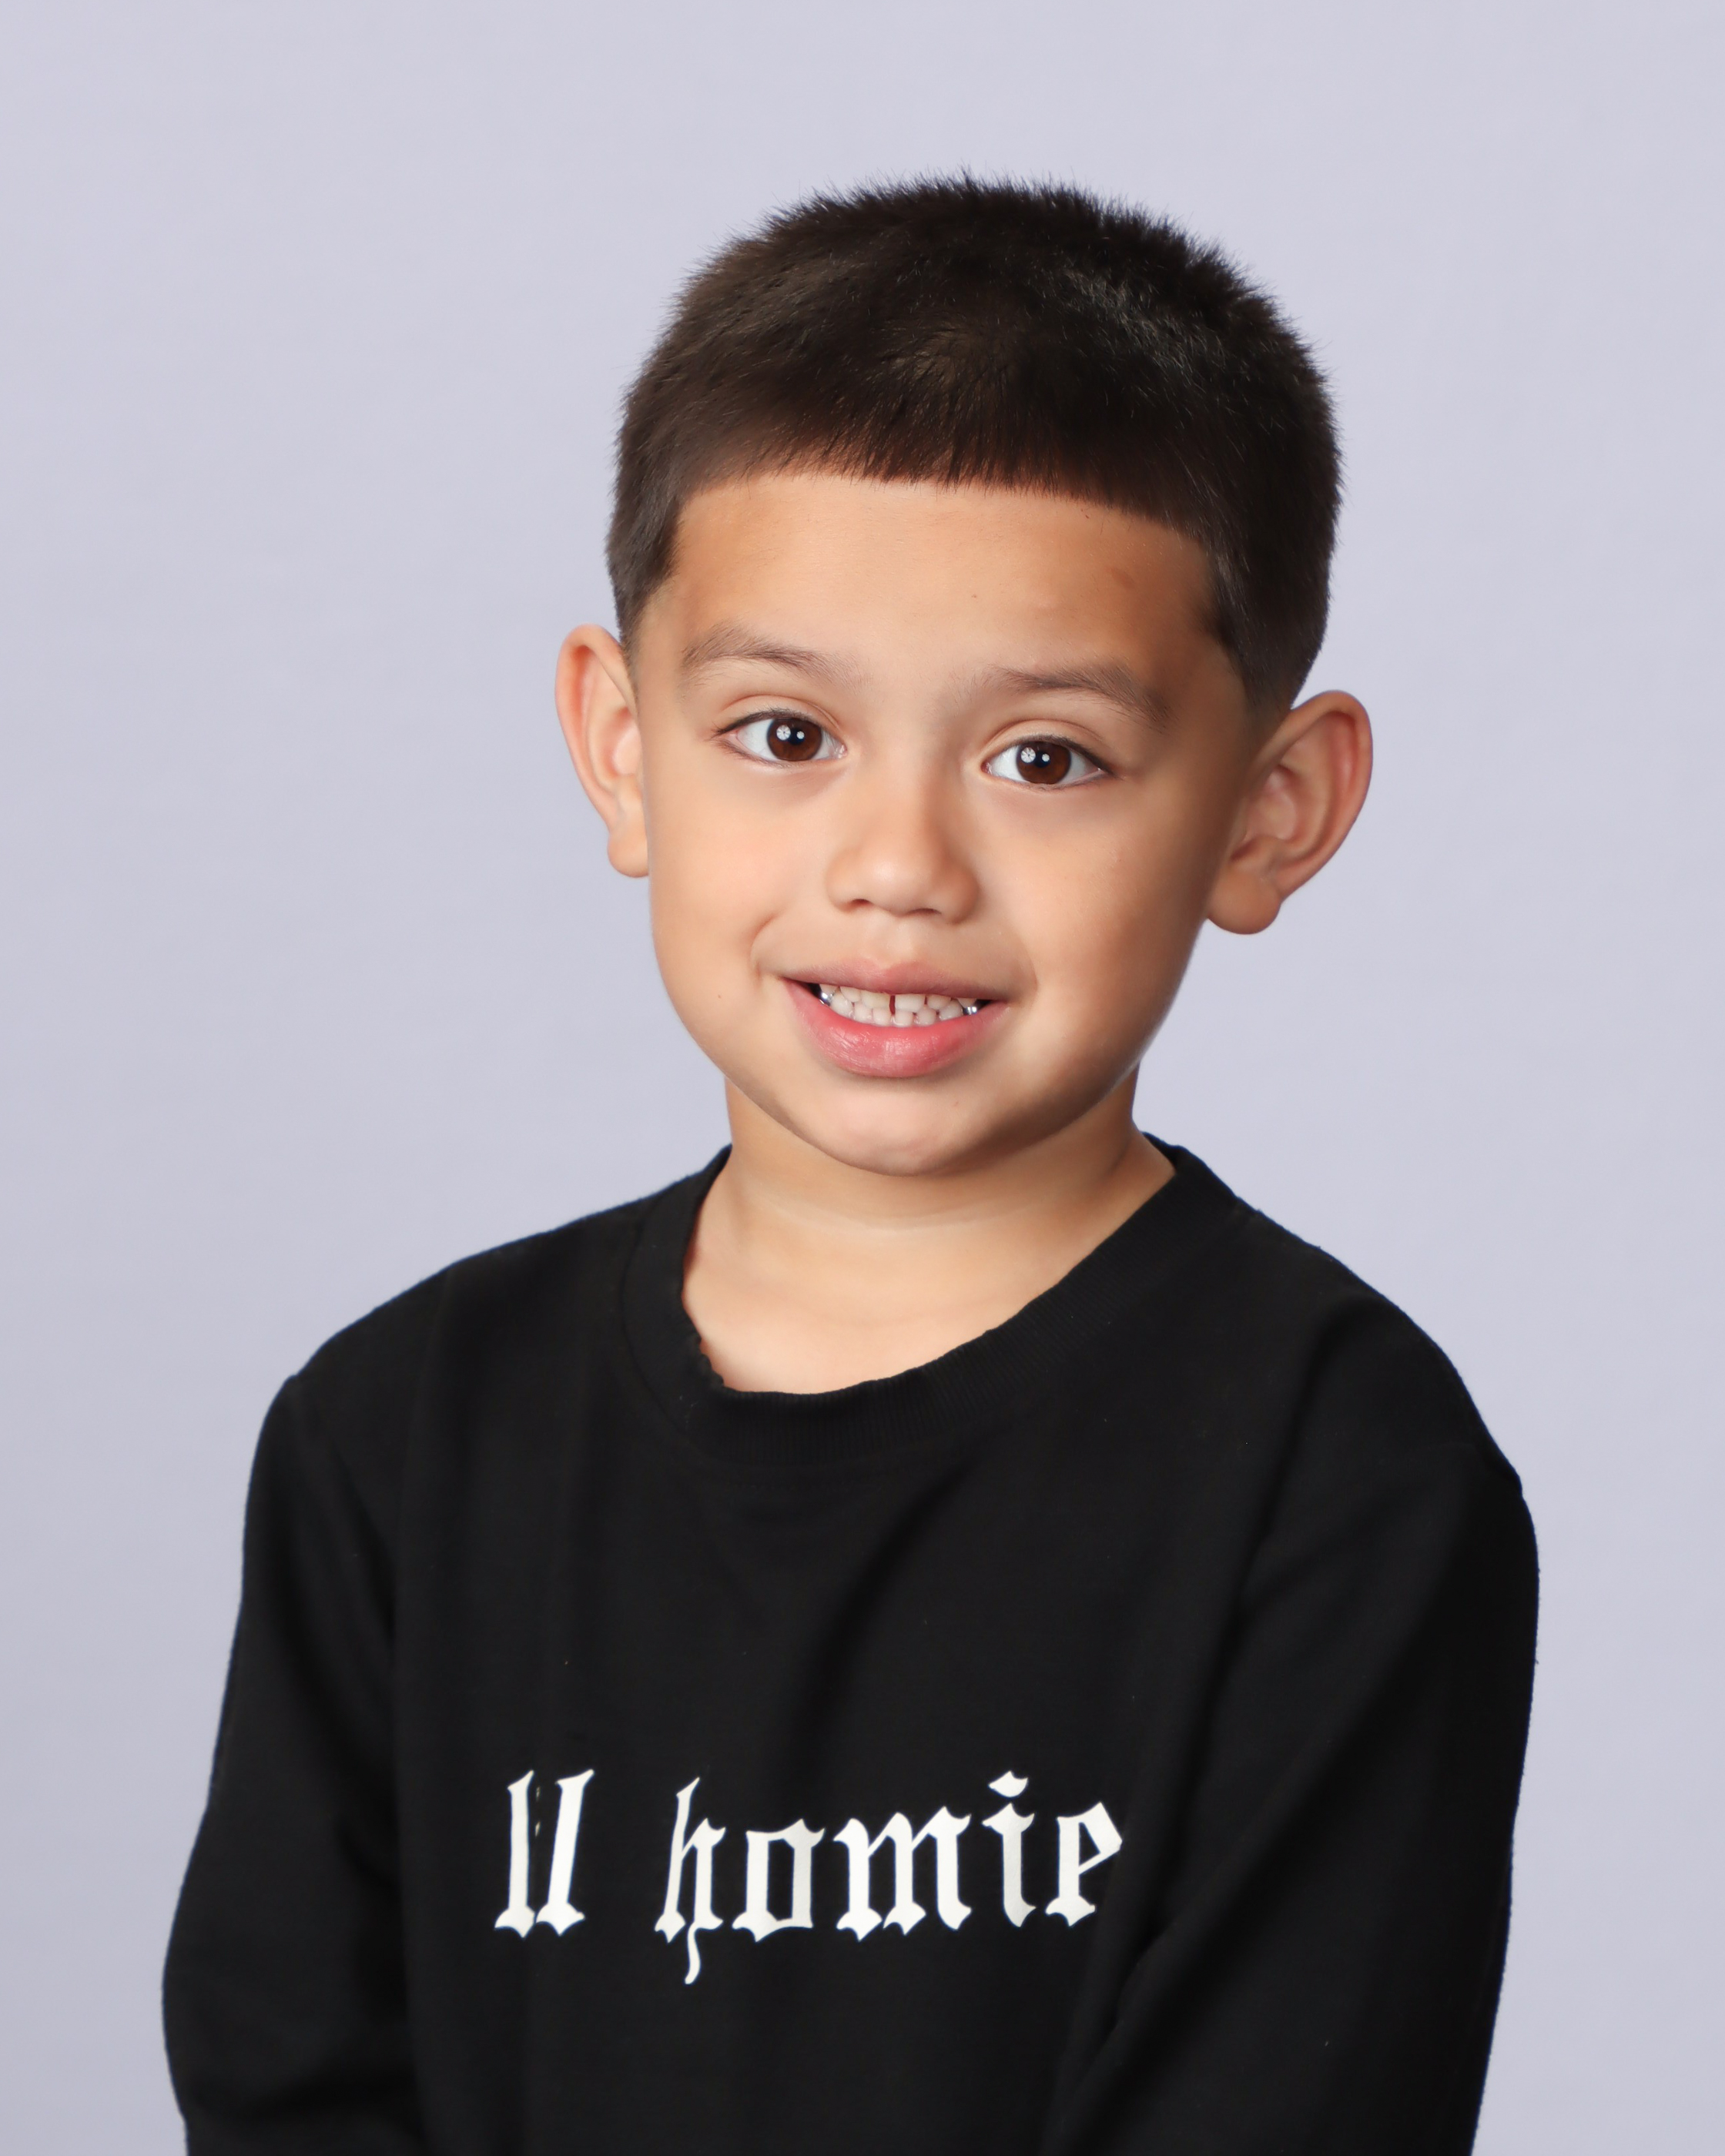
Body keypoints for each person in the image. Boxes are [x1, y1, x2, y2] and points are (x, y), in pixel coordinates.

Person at [163, 179, 1537, 2155]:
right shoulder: (401, 1435)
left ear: (1268, 810)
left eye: (1044, 757)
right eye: (785, 731)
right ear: (621, 747)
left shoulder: (1339, 1475)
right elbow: (290, 2082)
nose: (898, 867)